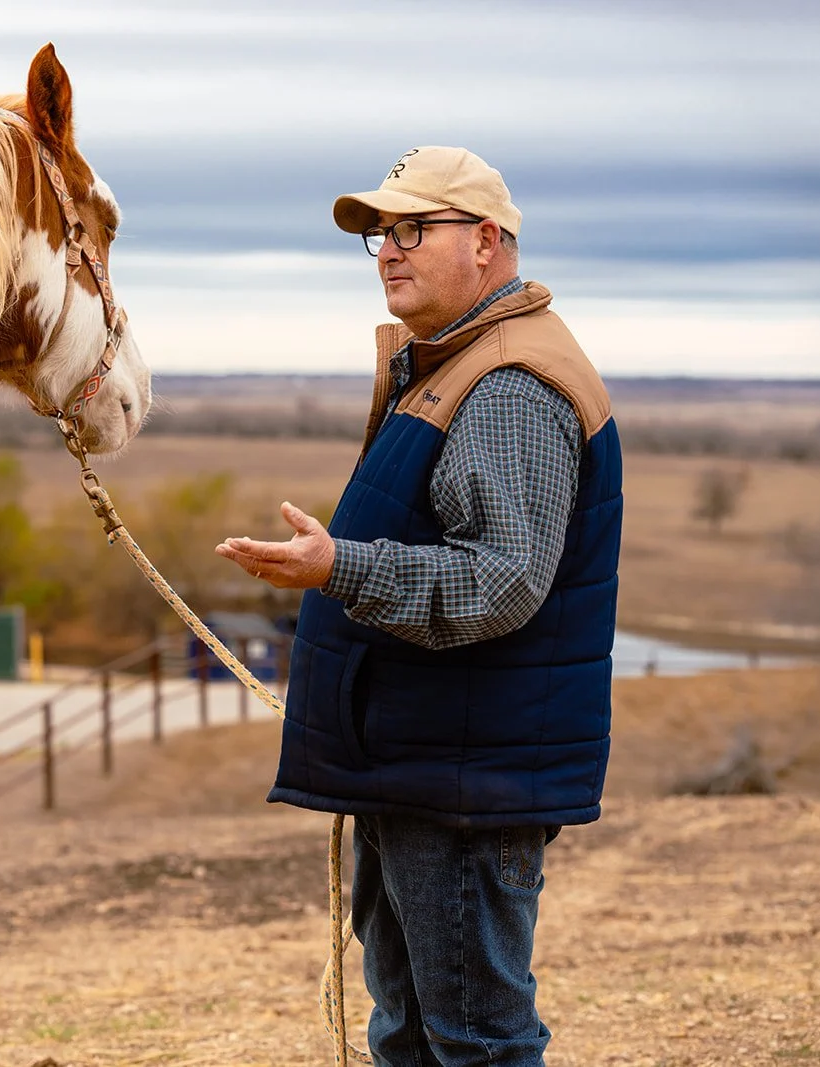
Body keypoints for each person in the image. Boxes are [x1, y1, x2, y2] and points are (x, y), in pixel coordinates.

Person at [216, 146, 622, 1064]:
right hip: (427, 765)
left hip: (466, 780)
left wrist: (340, 568)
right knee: (409, 1029)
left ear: (487, 241)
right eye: (379, 235)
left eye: (411, 229)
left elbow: (502, 580)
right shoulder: (453, 361)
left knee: (475, 1040)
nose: (389, 251)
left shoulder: (511, 386)